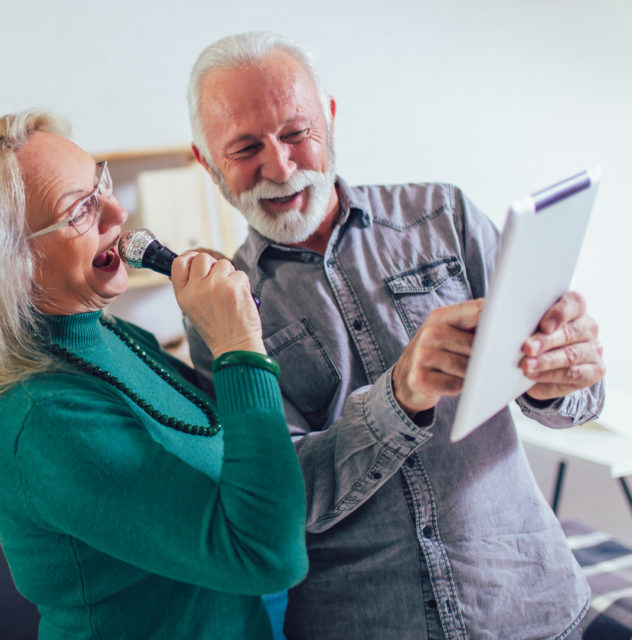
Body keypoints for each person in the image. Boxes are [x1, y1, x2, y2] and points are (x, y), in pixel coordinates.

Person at [184, 31, 606, 640]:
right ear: (206, 162)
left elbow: (577, 404)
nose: (279, 167)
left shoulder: (445, 217)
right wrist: (399, 396)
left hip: (529, 607)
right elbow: (282, 500)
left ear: (329, 119)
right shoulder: (220, 312)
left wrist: (561, 375)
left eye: (297, 133)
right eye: (246, 147)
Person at [0, 110, 308, 639]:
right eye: (79, 209)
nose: (118, 212)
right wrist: (239, 346)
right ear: (12, 262)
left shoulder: (111, 334)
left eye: (100, 184)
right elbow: (268, 555)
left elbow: (240, 463)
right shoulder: (44, 418)